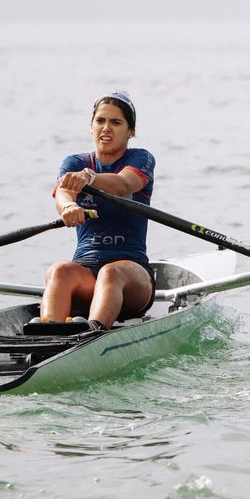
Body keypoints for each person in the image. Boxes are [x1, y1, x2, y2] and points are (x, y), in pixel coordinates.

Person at [32, 92, 155, 333]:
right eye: (100, 121)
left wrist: (90, 178)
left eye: (116, 122)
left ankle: (93, 332)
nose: (106, 128)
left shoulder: (141, 158)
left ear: (130, 131)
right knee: (59, 270)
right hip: (85, 272)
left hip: (132, 276)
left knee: (110, 273)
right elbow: (63, 193)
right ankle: (48, 333)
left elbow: (123, 185)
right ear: (91, 127)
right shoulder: (74, 163)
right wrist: (69, 207)